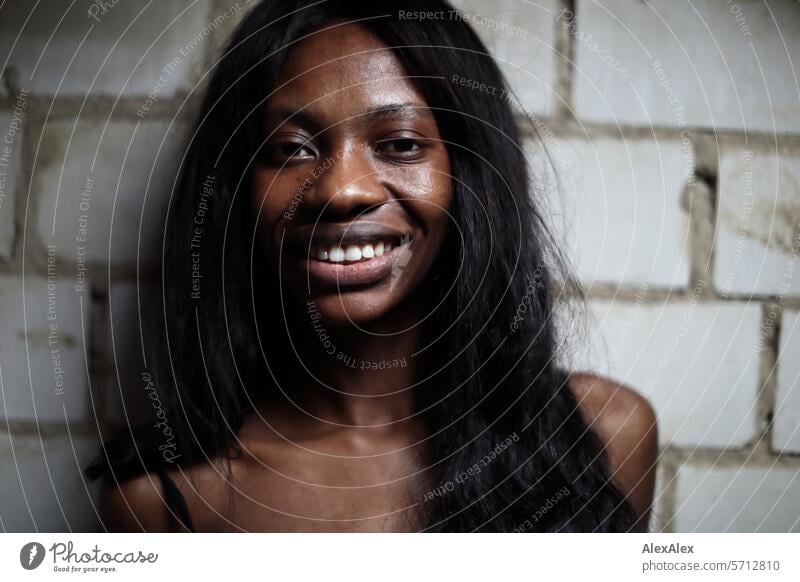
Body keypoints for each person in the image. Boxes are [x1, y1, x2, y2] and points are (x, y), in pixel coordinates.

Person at [86, 0, 657, 532]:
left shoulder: (604, 436)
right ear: (236, 190)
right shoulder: (164, 502)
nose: (341, 190)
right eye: (291, 148)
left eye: (401, 144)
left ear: (468, 176)